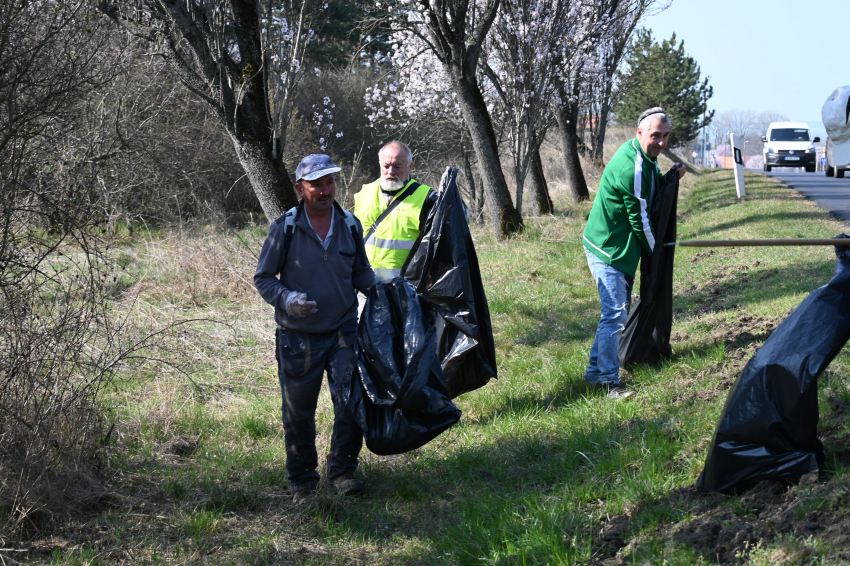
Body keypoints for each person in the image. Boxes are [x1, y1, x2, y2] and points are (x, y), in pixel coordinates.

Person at [254, 154, 376, 503]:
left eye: (330, 182)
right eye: (317, 184)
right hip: (298, 338)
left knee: (351, 403)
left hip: (343, 331)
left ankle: (343, 472)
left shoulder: (350, 224)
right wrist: (287, 299)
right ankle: (303, 482)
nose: (325, 190)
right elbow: (263, 278)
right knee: (298, 413)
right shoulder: (285, 227)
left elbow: (360, 273)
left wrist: (380, 288)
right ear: (300, 188)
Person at [581, 107, 687, 399]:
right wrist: (658, 254)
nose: (662, 143)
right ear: (639, 132)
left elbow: (650, 198)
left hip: (622, 249)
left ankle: (594, 373)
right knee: (615, 314)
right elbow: (641, 220)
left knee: (615, 313)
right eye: (656, 136)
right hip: (609, 249)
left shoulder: (646, 158)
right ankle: (606, 382)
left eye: (666, 137)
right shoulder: (633, 167)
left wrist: (669, 179)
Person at [354, 140, 467, 282]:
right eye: (386, 166)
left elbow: (461, 221)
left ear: (410, 167)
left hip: (404, 288)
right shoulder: (364, 193)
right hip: (365, 284)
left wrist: (451, 197)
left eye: (397, 166)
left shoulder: (427, 198)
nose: (390, 172)